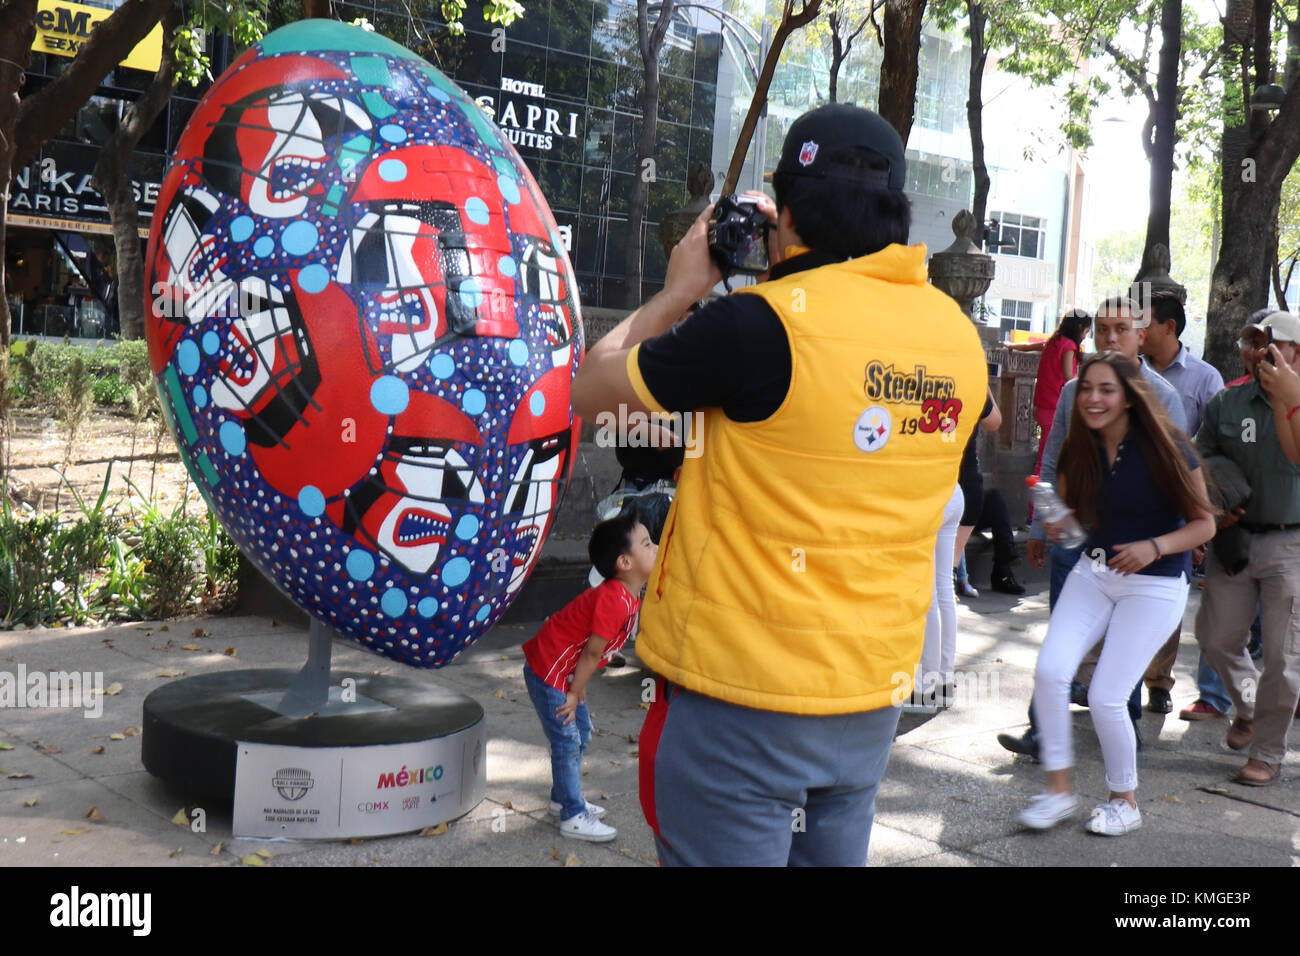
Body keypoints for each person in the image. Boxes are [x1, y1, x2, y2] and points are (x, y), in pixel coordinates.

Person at [570, 103, 987, 866]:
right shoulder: (957, 335)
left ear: (784, 213)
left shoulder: (758, 327)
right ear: (896, 210)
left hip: (737, 704)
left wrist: (677, 291)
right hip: (866, 700)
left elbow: (592, 389)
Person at [1017, 353, 1215, 834]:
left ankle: (1123, 801)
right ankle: (1058, 791)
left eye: (1106, 389)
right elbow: (1077, 527)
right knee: (1050, 671)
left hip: (1155, 583)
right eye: (1086, 389)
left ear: (1129, 397)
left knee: (1107, 695)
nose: (1093, 398)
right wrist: (1057, 521)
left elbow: (1204, 524)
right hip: (1095, 572)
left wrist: (1154, 547)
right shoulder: (1079, 449)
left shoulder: (1167, 447)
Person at [997, 296, 1188, 758]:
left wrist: (1168, 542)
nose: (1109, 337)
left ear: (1141, 336)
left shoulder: (1161, 396)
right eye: (1102, 329)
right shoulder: (1073, 392)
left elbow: (1180, 475)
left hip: (1137, 545)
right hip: (1078, 537)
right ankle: (1043, 729)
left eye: (1121, 328)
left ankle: (1125, 724)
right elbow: (1053, 457)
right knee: (1062, 635)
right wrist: (1043, 526)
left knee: (1124, 642)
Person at [1193, 311, 1300, 786]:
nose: (1259, 351)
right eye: (1253, 341)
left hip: (1291, 544)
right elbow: (1199, 457)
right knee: (1216, 637)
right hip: (1235, 539)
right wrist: (1215, 501)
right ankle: (1249, 705)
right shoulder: (1226, 403)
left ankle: (1268, 752)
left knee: (1281, 655)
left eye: (1271, 343)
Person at [521, 513, 657, 841]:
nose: (656, 547)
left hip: (563, 671)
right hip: (549, 671)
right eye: (647, 543)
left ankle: (562, 798)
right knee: (567, 740)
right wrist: (573, 691)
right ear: (625, 561)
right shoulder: (614, 599)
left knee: (581, 732)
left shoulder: (628, 595)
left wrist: (577, 686)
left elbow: (590, 654)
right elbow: (592, 654)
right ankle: (571, 814)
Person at [1138, 291, 1225, 716]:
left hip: (1178, 504)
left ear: (1169, 327)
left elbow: (1215, 452)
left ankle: (1159, 680)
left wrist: (1202, 514)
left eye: (1146, 322)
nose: (1138, 330)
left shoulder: (1206, 379)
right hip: (1130, 500)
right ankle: (1115, 683)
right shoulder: (1126, 372)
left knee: (1167, 597)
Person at [1012, 308, 1092, 479]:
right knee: (1046, 460)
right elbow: (1069, 377)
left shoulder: (1053, 342)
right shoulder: (1069, 346)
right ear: (1079, 326)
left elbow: (1026, 347)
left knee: (1047, 456)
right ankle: (1036, 504)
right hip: (1055, 409)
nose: (1086, 334)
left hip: (1042, 406)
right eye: (1086, 330)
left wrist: (1011, 346)